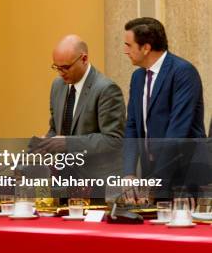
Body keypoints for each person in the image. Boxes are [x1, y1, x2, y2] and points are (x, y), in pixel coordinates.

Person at [123, 17, 206, 196]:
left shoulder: (183, 72)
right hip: (152, 177)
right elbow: (131, 126)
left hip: (182, 180)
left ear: (146, 48)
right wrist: (129, 173)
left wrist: (156, 181)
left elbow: (177, 132)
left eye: (129, 45)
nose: (125, 51)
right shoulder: (137, 78)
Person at [35, 35, 125, 200]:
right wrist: (46, 142)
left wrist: (68, 143)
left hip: (98, 185)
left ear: (84, 59)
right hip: (64, 183)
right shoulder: (57, 85)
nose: (61, 73)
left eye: (65, 67)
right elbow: (56, 129)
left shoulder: (106, 89)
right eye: (56, 67)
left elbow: (113, 139)